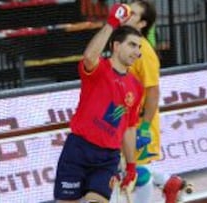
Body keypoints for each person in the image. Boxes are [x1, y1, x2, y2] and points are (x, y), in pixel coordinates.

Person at [54, 4, 144, 203]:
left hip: (108, 158)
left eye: (139, 47)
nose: (137, 52)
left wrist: (131, 165)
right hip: (78, 149)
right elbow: (88, 56)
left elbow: (129, 128)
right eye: (132, 45)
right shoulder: (99, 70)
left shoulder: (136, 87)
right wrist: (111, 23)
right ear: (116, 46)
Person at [123, 1, 193, 203]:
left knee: (136, 172)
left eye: (132, 13)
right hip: (123, 121)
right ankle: (169, 182)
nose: (126, 14)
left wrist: (144, 126)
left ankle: (168, 182)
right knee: (126, 167)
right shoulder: (120, 43)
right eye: (127, 10)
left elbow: (153, 92)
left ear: (143, 23)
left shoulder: (144, 52)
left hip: (138, 123)